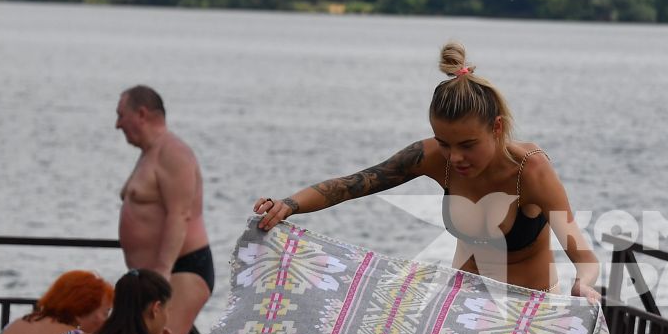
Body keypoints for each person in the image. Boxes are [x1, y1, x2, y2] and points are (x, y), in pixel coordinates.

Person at [253, 44, 599, 301]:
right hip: (461, 306)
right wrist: (290, 204)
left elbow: (584, 257)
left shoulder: (531, 170)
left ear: (496, 127)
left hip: (528, 311)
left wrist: (584, 283)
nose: (455, 157)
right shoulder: (434, 157)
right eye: (444, 143)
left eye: (467, 144)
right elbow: (354, 184)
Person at [116, 85, 211, 334]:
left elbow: (179, 215)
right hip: (153, 276)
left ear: (142, 114)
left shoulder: (173, 152)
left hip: (179, 271)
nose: (117, 124)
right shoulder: (149, 154)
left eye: (121, 115)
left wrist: (161, 274)